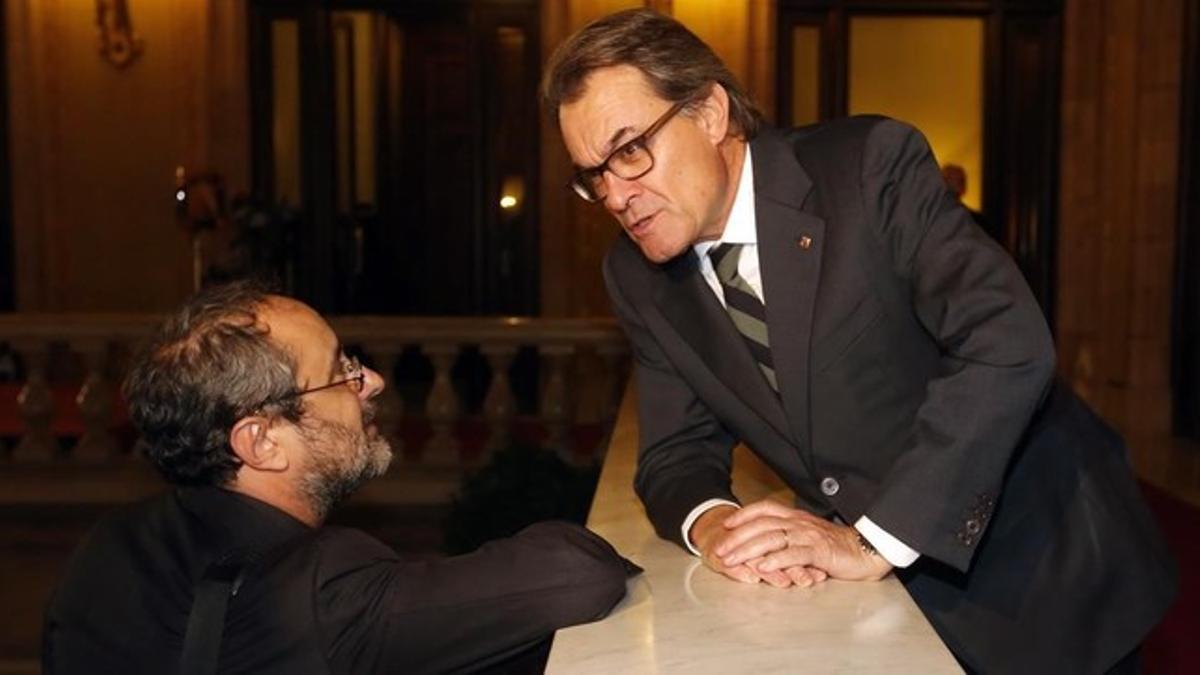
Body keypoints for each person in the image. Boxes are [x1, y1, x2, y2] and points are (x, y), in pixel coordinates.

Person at [542, 9, 1176, 674]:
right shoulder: (634, 275)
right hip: (882, 607)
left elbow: (1008, 343)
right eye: (593, 175)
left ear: (708, 112)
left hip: (1042, 567)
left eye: (629, 151)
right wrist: (723, 529)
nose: (616, 193)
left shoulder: (871, 168)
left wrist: (872, 543)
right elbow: (673, 454)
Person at [42, 282, 634, 674]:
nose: (371, 381)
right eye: (340, 372)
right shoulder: (319, 589)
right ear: (261, 440)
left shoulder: (108, 545)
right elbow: (576, 576)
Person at [940, 163, 1001, 245]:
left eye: (962, 179)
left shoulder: (976, 220)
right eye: (951, 177)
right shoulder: (932, 218)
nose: (960, 180)